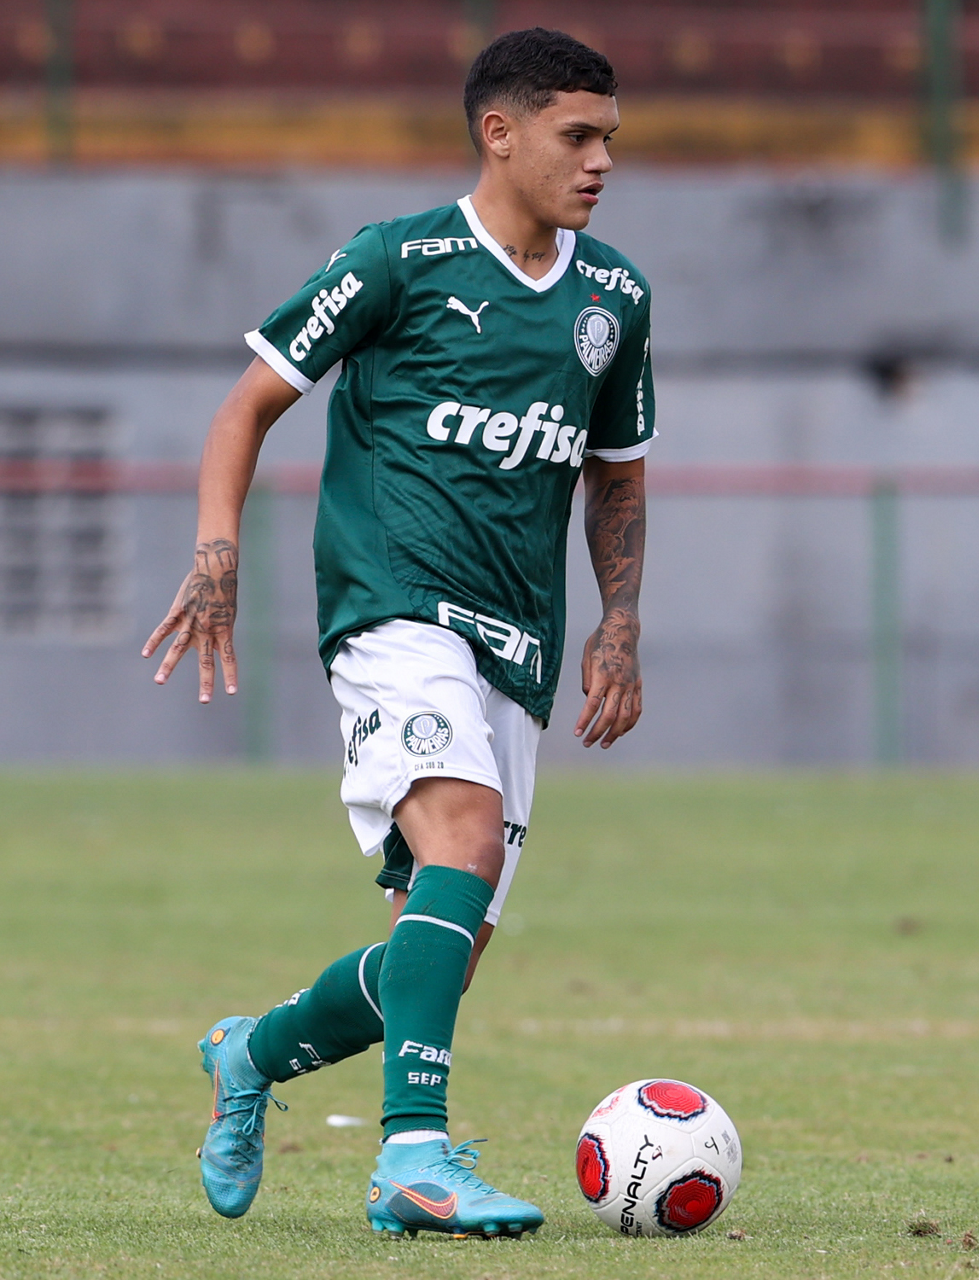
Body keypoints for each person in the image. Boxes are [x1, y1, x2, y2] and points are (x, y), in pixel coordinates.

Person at [143, 26, 654, 1240]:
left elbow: (615, 472)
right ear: (499, 132)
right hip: (391, 609)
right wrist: (216, 555)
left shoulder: (613, 297)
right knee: (461, 832)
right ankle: (412, 1158)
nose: (600, 162)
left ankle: (251, 1050)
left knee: (438, 953)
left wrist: (619, 621)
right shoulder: (397, 261)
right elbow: (246, 404)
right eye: (577, 136)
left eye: (608, 139)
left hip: (517, 643)